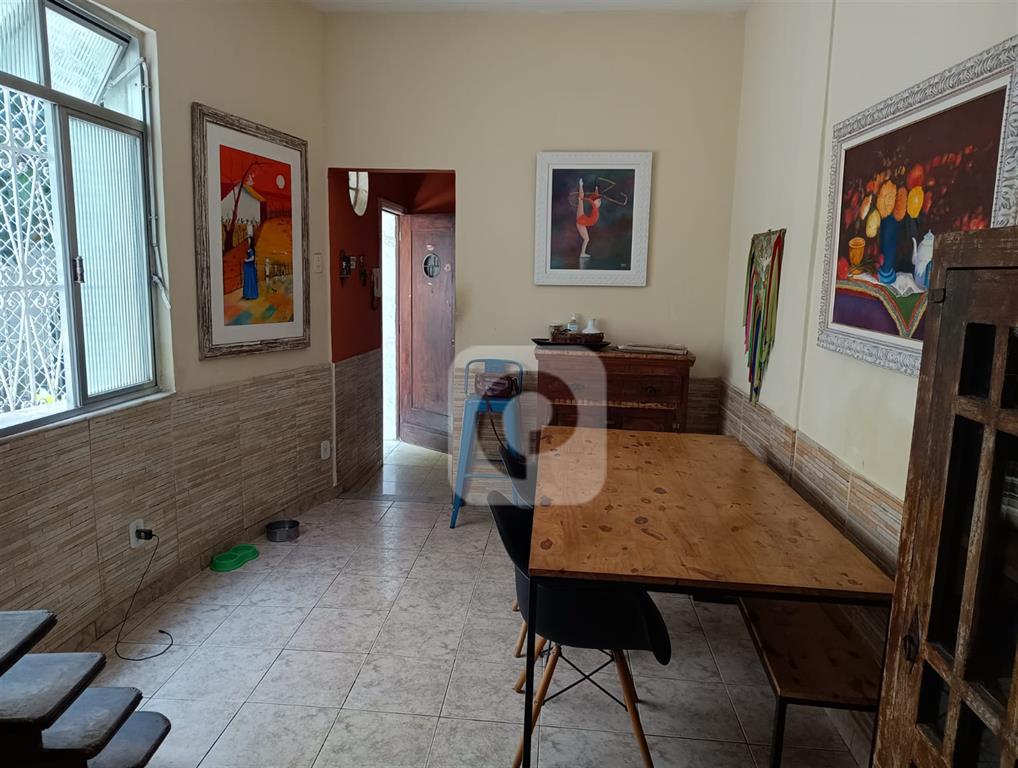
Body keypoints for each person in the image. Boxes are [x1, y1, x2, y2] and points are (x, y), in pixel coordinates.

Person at [575, 178, 602, 259]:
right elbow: (591, 200)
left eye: (600, 201)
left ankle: (582, 253)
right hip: (581, 221)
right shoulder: (594, 206)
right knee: (580, 200)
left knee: (586, 239)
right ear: (594, 202)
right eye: (598, 201)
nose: (600, 202)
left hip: (583, 221)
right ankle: (581, 185)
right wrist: (584, 199)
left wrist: (596, 188)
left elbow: (596, 196)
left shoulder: (596, 207)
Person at [242, 232, 259, 300]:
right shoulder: (250, 249)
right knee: (248, 280)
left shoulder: (251, 249)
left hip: (249, 267)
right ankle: (248, 295)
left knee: (249, 280)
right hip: (249, 267)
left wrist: (246, 260)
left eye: (249, 241)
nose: (247, 242)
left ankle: (250, 295)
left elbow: (252, 258)